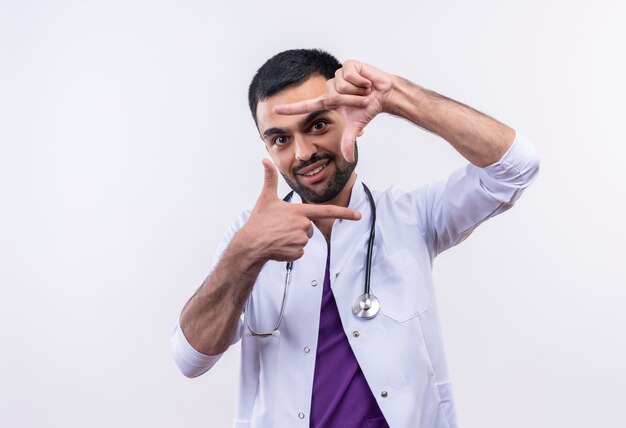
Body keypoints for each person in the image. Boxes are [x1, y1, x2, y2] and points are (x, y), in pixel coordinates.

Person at [170, 49, 540, 428]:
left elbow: (515, 168)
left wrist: (395, 95)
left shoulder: (411, 217)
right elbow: (190, 359)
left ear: (349, 118)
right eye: (280, 139)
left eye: (317, 125)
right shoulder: (246, 239)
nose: (303, 153)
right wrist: (246, 254)